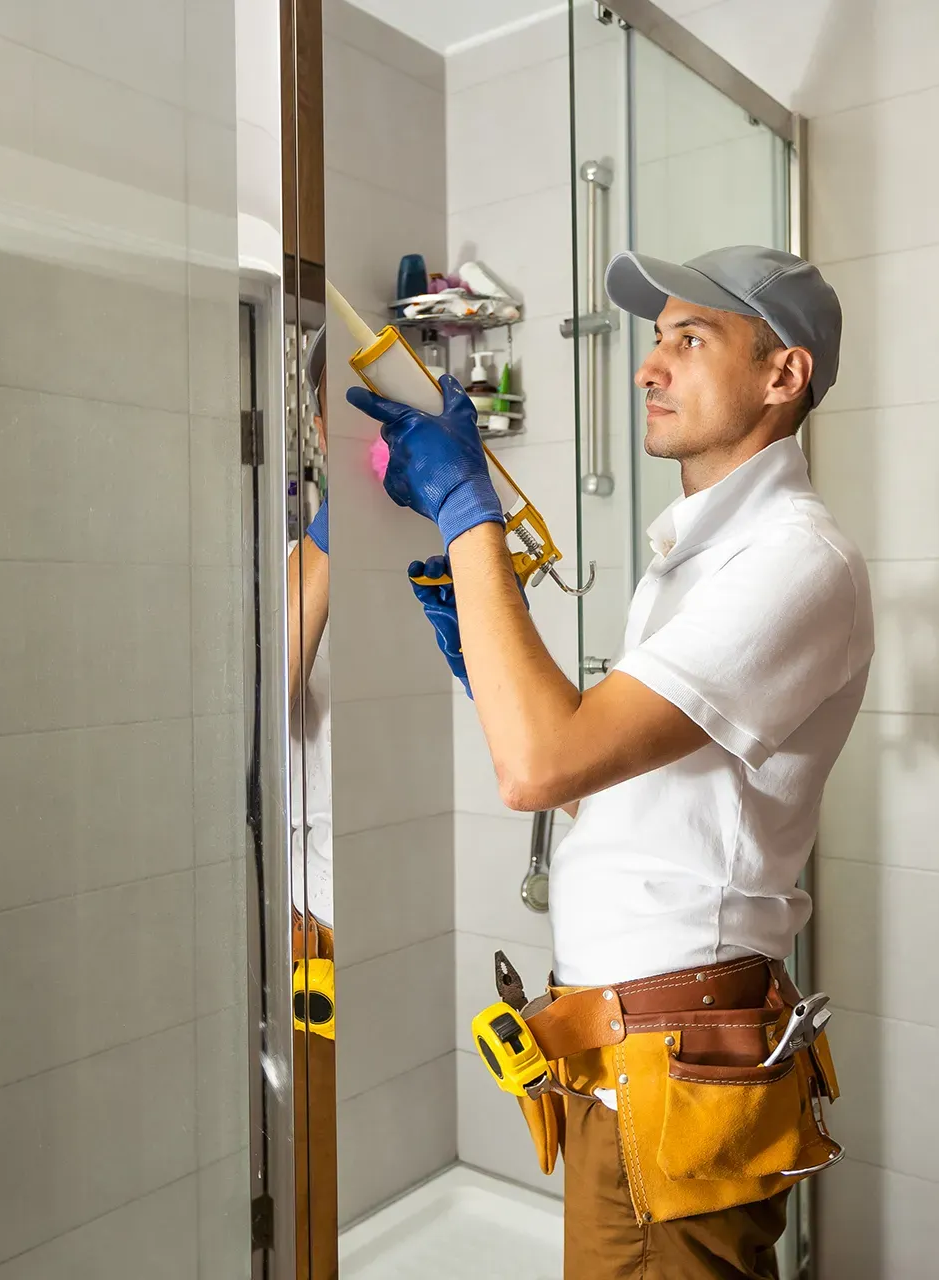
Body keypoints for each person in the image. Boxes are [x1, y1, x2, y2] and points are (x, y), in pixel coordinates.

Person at [350, 246, 872, 1279]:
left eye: (691, 338)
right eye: (653, 339)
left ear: (784, 375)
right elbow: (606, 790)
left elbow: (541, 768)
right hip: (632, 1061)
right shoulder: (694, 559)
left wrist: (470, 515)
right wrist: (486, 665)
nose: (648, 365)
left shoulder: (794, 560)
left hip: (676, 1063)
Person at [286, 325, 337, 1280]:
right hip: (318, 924)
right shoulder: (295, 559)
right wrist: (339, 537)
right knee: (324, 1153)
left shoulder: (452, 550)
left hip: (412, 910)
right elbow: (258, 706)